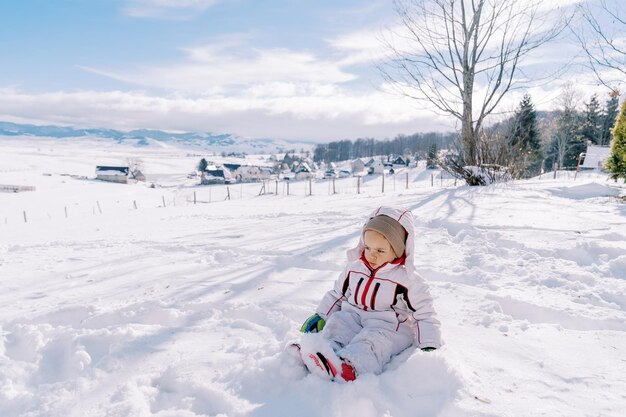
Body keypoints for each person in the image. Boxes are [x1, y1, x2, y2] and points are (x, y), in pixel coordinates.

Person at [299, 206, 442, 381]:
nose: (371, 256)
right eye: (367, 248)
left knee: (372, 342)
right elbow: (337, 294)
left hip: (387, 327)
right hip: (354, 317)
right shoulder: (354, 268)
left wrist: (429, 342)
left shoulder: (408, 280)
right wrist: (321, 315)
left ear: (397, 250)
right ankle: (320, 354)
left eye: (380, 251)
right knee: (338, 326)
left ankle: (352, 366)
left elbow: (424, 313)